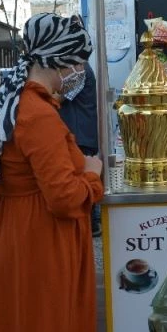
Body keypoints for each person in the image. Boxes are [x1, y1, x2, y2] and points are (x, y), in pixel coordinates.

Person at [0, 13, 103, 332]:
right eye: (77, 63)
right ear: (61, 62)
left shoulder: (17, 101)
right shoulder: (38, 113)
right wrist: (93, 176)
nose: (80, 72)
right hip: (37, 243)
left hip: (17, 234)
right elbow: (63, 196)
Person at [57, 63, 101, 236]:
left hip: (79, 132)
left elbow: (60, 97)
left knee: (81, 177)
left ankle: (91, 224)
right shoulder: (81, 69)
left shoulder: (79, 71)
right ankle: (92, 221)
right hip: (82, 132)